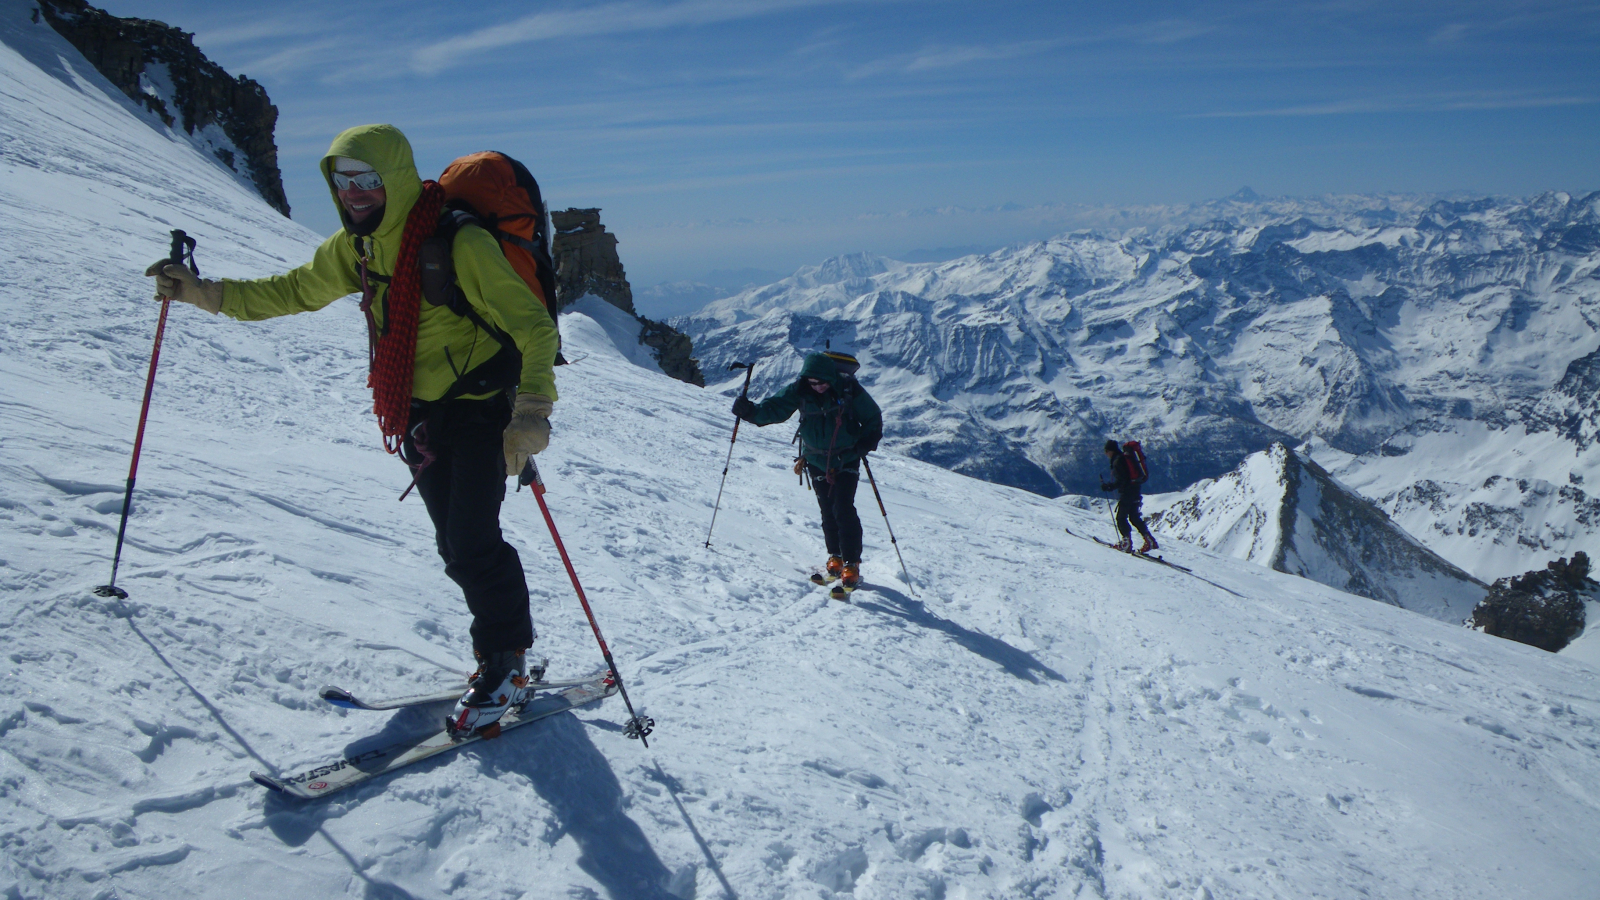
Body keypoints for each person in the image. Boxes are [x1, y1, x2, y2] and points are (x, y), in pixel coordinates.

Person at [146, 124, 559, 738]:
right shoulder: (358, 248)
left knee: (472, 541)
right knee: (455, 545)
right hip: (420, 414)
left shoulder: (459, 242)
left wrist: (529, 414)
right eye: (343, 182)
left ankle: (505, 663)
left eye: (367, 179)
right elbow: (296, 290)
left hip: (478, 407)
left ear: (391, 177)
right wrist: (208, 294)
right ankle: (503, 653)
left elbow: (532, 328)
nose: (355, 193)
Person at [733, 352, 882, 590]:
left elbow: (873, 417)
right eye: (813, 383)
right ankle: (835, 556)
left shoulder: (848, 389)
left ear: (831, 377)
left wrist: (866, 442)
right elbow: (775, 409)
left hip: (847, 458)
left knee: (842, 508)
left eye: (822, 382)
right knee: (827, 509)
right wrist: (750, 412)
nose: (818, 387)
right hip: (815, 459)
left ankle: (851, 563)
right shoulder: (799, 390)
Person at [1101, 439, 1157, 554]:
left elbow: (1122, 480)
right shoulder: (1126, 458)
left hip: (1127, 493)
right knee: (1134, 517)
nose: (1106, 454)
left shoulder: (1117, 461)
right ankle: (1149, 540)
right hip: (1136, 490)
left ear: (1110, 451)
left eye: (1106, 451)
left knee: (1121, 517)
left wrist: (1109, 486)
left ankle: (1126, 543)